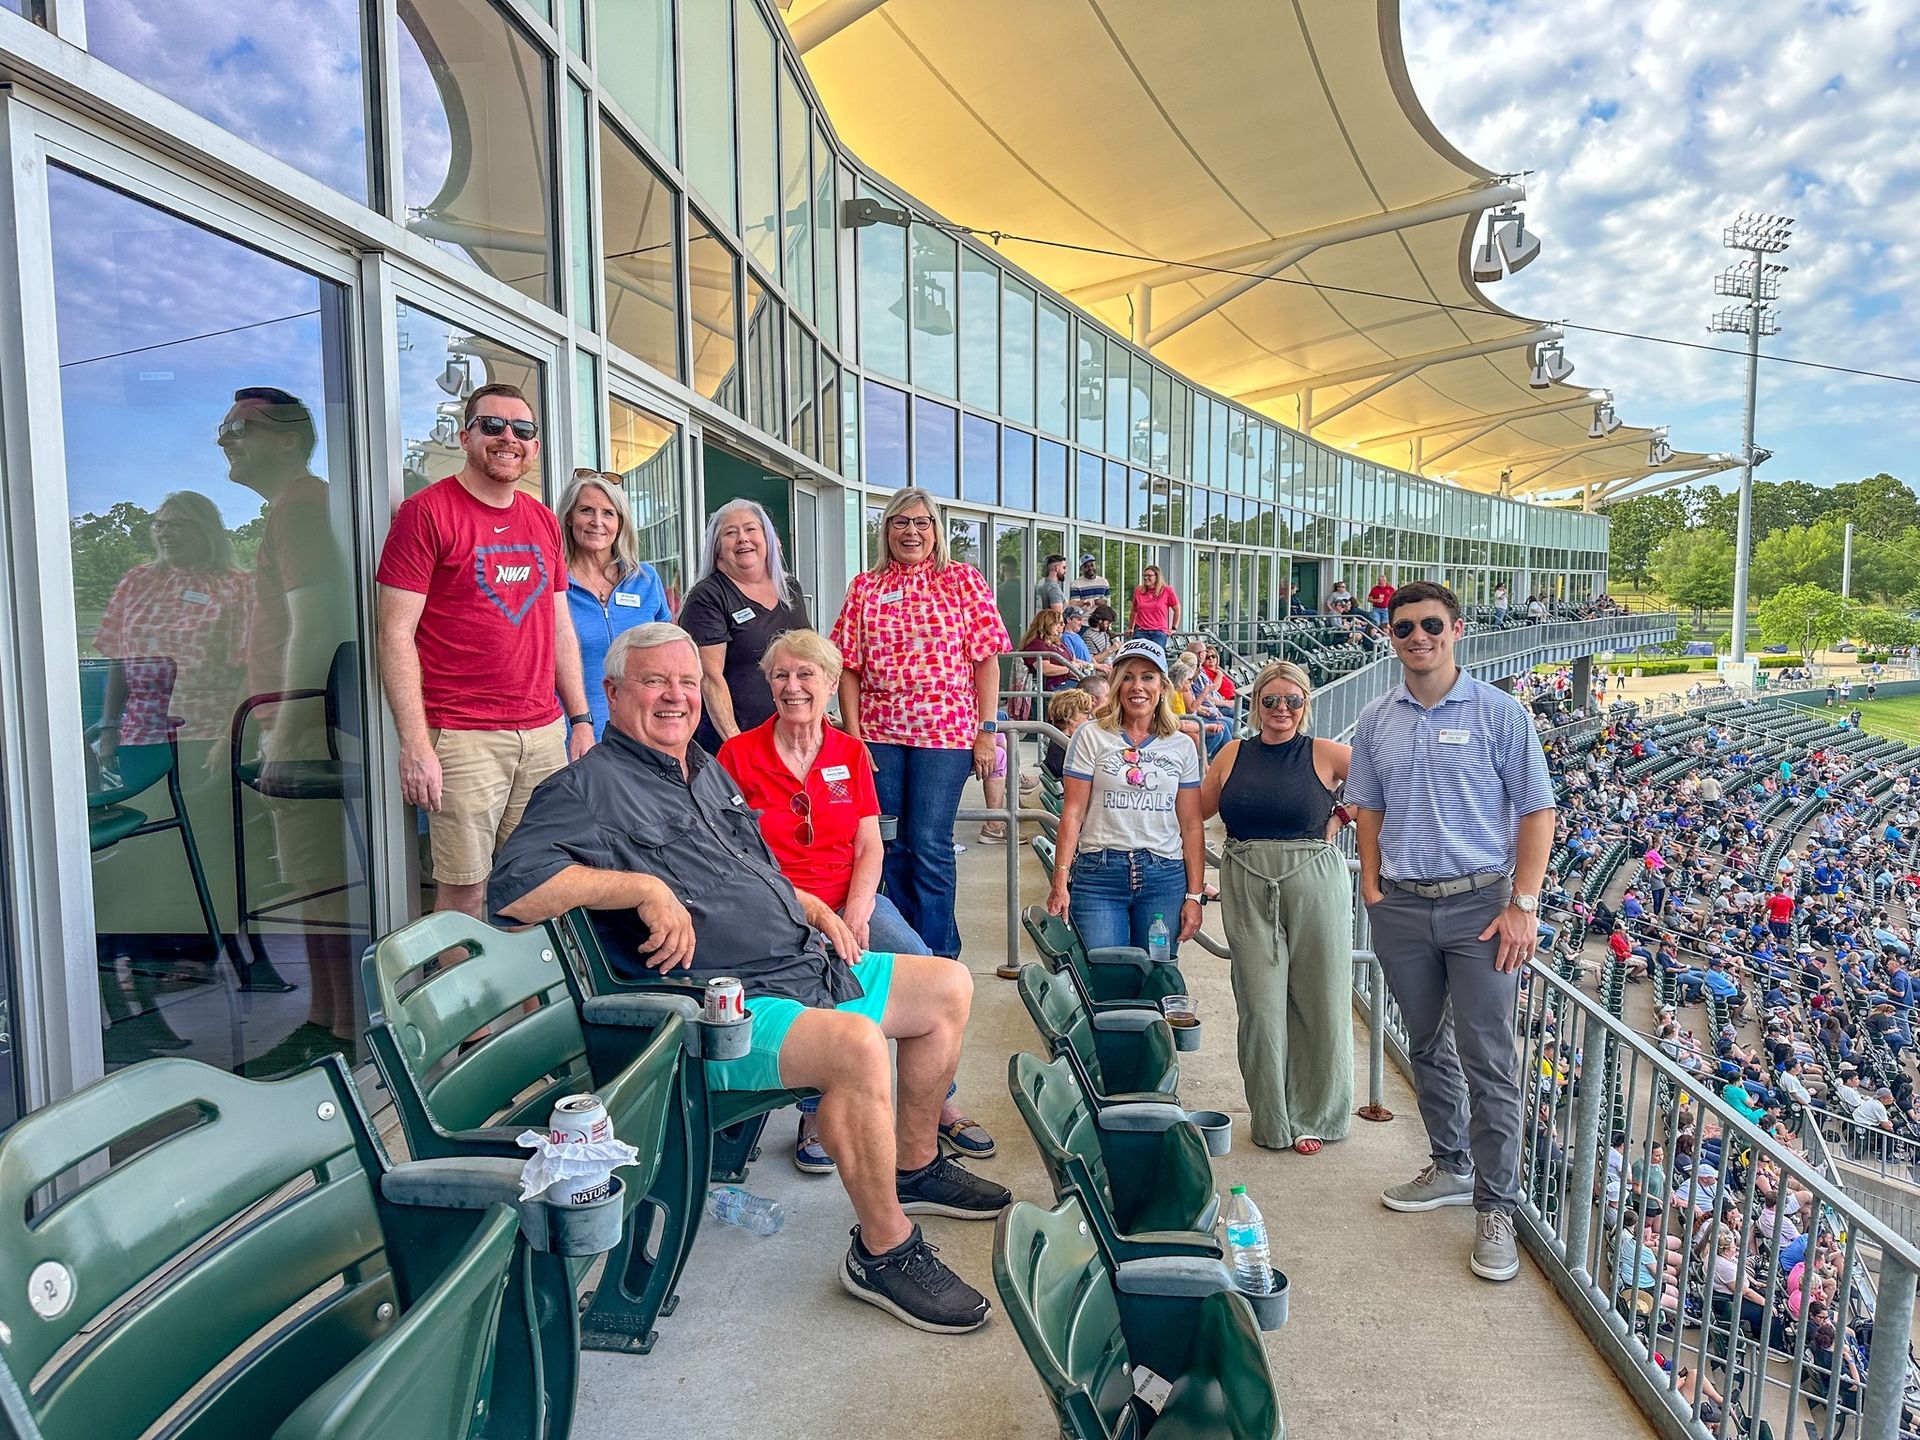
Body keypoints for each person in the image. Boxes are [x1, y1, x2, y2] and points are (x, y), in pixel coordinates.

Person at [490, 623, 1009, 1335]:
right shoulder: (585, 788)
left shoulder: (700, 767)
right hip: (716, 1008)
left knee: (947, 986)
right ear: (612, 693)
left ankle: (914, 1167)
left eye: (684, 682)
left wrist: (811, 903)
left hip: (799, 960)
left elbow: (746, 870)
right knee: (856, 1045)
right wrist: (638, 887)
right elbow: (512, 892)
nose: (674, 696)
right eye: (653, 682)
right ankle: (882, 1252)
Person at [718, 628, 995, 1171]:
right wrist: (808, 912)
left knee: (925, 967)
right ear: (769, 685)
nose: (793, 686)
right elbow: (732, 857)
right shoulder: (737, 754)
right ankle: (814, 1109)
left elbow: (870, 842)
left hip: (852, 898)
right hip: (774, 907)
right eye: (781, 675)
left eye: (806, 675)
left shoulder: (849, 751)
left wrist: (858, 910)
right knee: (810, 979)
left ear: (828, 684)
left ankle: (938, 1099)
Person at [1350, 580, 1555, 1284]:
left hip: (1480, 909)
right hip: (1403, 906)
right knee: (1426, 1043)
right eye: (1403, 628)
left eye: (1430, 625)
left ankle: (1497, 1207)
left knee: (1488, 1058)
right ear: (1390, 637)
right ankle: (1450, 1165)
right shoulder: (1377, 718)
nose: (1418, 637)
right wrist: (1372, 884)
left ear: (1457, 629)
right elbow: (1367, 805)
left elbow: (1537, 811)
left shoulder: (1499, 713)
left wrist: (1523, 904)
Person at [376, 382, 592, 924]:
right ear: (467, 436)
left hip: (542, 735)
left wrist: (581, 719)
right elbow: (395, 634)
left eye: (522, 430)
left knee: (535, 885)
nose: (508, 439)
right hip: (463, 737)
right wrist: (415, 744)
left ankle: (527, 1007)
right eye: (493, 426)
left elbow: (559, 625)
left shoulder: (542, 519)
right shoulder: (425, 513)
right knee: (464, 893)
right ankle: (469, 1011)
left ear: (535, 446)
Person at [226, 387, 356, 1061]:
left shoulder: (301, 507)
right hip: (298, 719)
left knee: (317, 877)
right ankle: (326, 1017)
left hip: (304, 725)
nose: (224, 441)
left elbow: (318, 621)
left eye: (237, 429)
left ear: (285, 438)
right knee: (315, 878)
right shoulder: (296, 507)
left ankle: (337, 1030)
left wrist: (286, 725)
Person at [832, 487, 1009, 960]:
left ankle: (938, 955)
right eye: (900, 522)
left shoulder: (962, 581)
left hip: (945, 733)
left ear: (936, 531)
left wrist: (987, 732)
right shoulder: (865, 587)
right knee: (889, 846)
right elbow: (848, 666)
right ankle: (903, 949)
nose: (911, 531)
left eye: (921, 522)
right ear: (885, 529)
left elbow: (986, 661)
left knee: (930, 843)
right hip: (878, 733)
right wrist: (852, 736)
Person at [1202, 660, 1353, 1154]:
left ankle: (1315, 1113)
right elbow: (1192, 810)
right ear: (1256, 704)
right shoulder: (1231, 754)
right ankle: (1272, 1118)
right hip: (1247, 879)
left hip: (1314, 880)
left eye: (1292, 700)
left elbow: (1387, 783)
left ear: (1306, 705)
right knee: (1260, 1007)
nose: (1281, 709)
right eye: (1271, 700)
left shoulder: (1327, 754)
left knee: (1321, 998)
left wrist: (1341, 817)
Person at [1045, 639, 1204, 957]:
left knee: (1156, 978)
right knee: (1106, 975)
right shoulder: (1090, 735)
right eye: (1128, 676)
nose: (1137, 686)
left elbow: (1191, 825)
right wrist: (1060, 879)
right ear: (1116, 683)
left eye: (1147, 677)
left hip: (1163, 875)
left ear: (1162, 685)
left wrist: (1195, 895)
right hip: (1100, 872)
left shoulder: (1181, 745)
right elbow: (1073, 813)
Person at [679, 499, 810, 754]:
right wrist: (736, 745)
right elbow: (709, 678)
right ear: (717, 549)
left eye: (751, 529)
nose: (742, 538)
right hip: (736, 741)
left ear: (767, 538)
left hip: (789, 737)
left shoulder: (789, 588)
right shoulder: (708, 597)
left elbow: (808, 658)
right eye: (730, 533)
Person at [558, 470, 673, 740]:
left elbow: (668, 655)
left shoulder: (645, 580)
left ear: (620, 523)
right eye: (586, 510)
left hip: (642, 733)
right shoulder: (555, 584)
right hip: (574, 733)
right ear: (569, 518)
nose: (597, 522)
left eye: (608, 513)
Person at [1129, 564, 1179, 648]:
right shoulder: (1139, 591)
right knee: (1139, 657)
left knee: (1155, 657)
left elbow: (1177, 609)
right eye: (1144, 575)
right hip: (1141, 631)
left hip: (1158, 632)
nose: (1146, 578)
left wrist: (1174, 628)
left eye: (1149, 575)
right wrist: (1130, 627)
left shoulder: (1167, 590)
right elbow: (1134, 610)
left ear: (1157, 577)